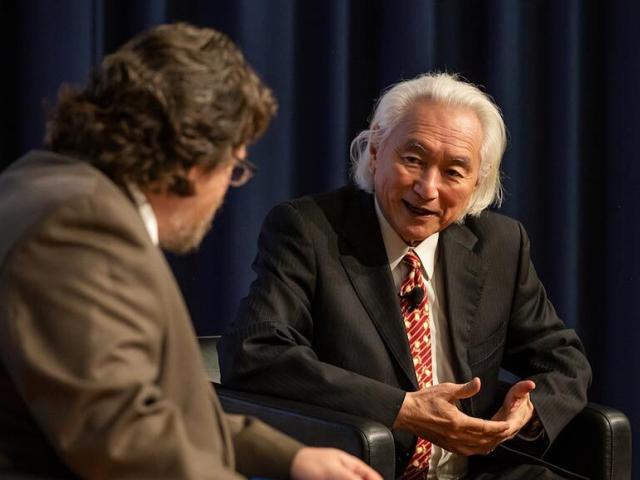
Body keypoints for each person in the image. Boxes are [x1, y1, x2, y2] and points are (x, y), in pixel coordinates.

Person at [0, 22, 381, 480]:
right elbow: (122, 440)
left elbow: (162, 403)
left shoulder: (44, 179)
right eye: (234, 166)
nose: (227, 190)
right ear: (190, 156)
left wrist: (292, 457)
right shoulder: (79, 226)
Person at [219, 73, 592, 479]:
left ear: (477, 182)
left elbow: (563, 359)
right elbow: (255, 352)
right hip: (364, 468)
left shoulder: (500, 244)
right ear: (376, 151)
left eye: (453, 172)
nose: (428, 188)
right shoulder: (309, 232)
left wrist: (527, 412)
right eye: (412, 160)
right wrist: (401, 409)